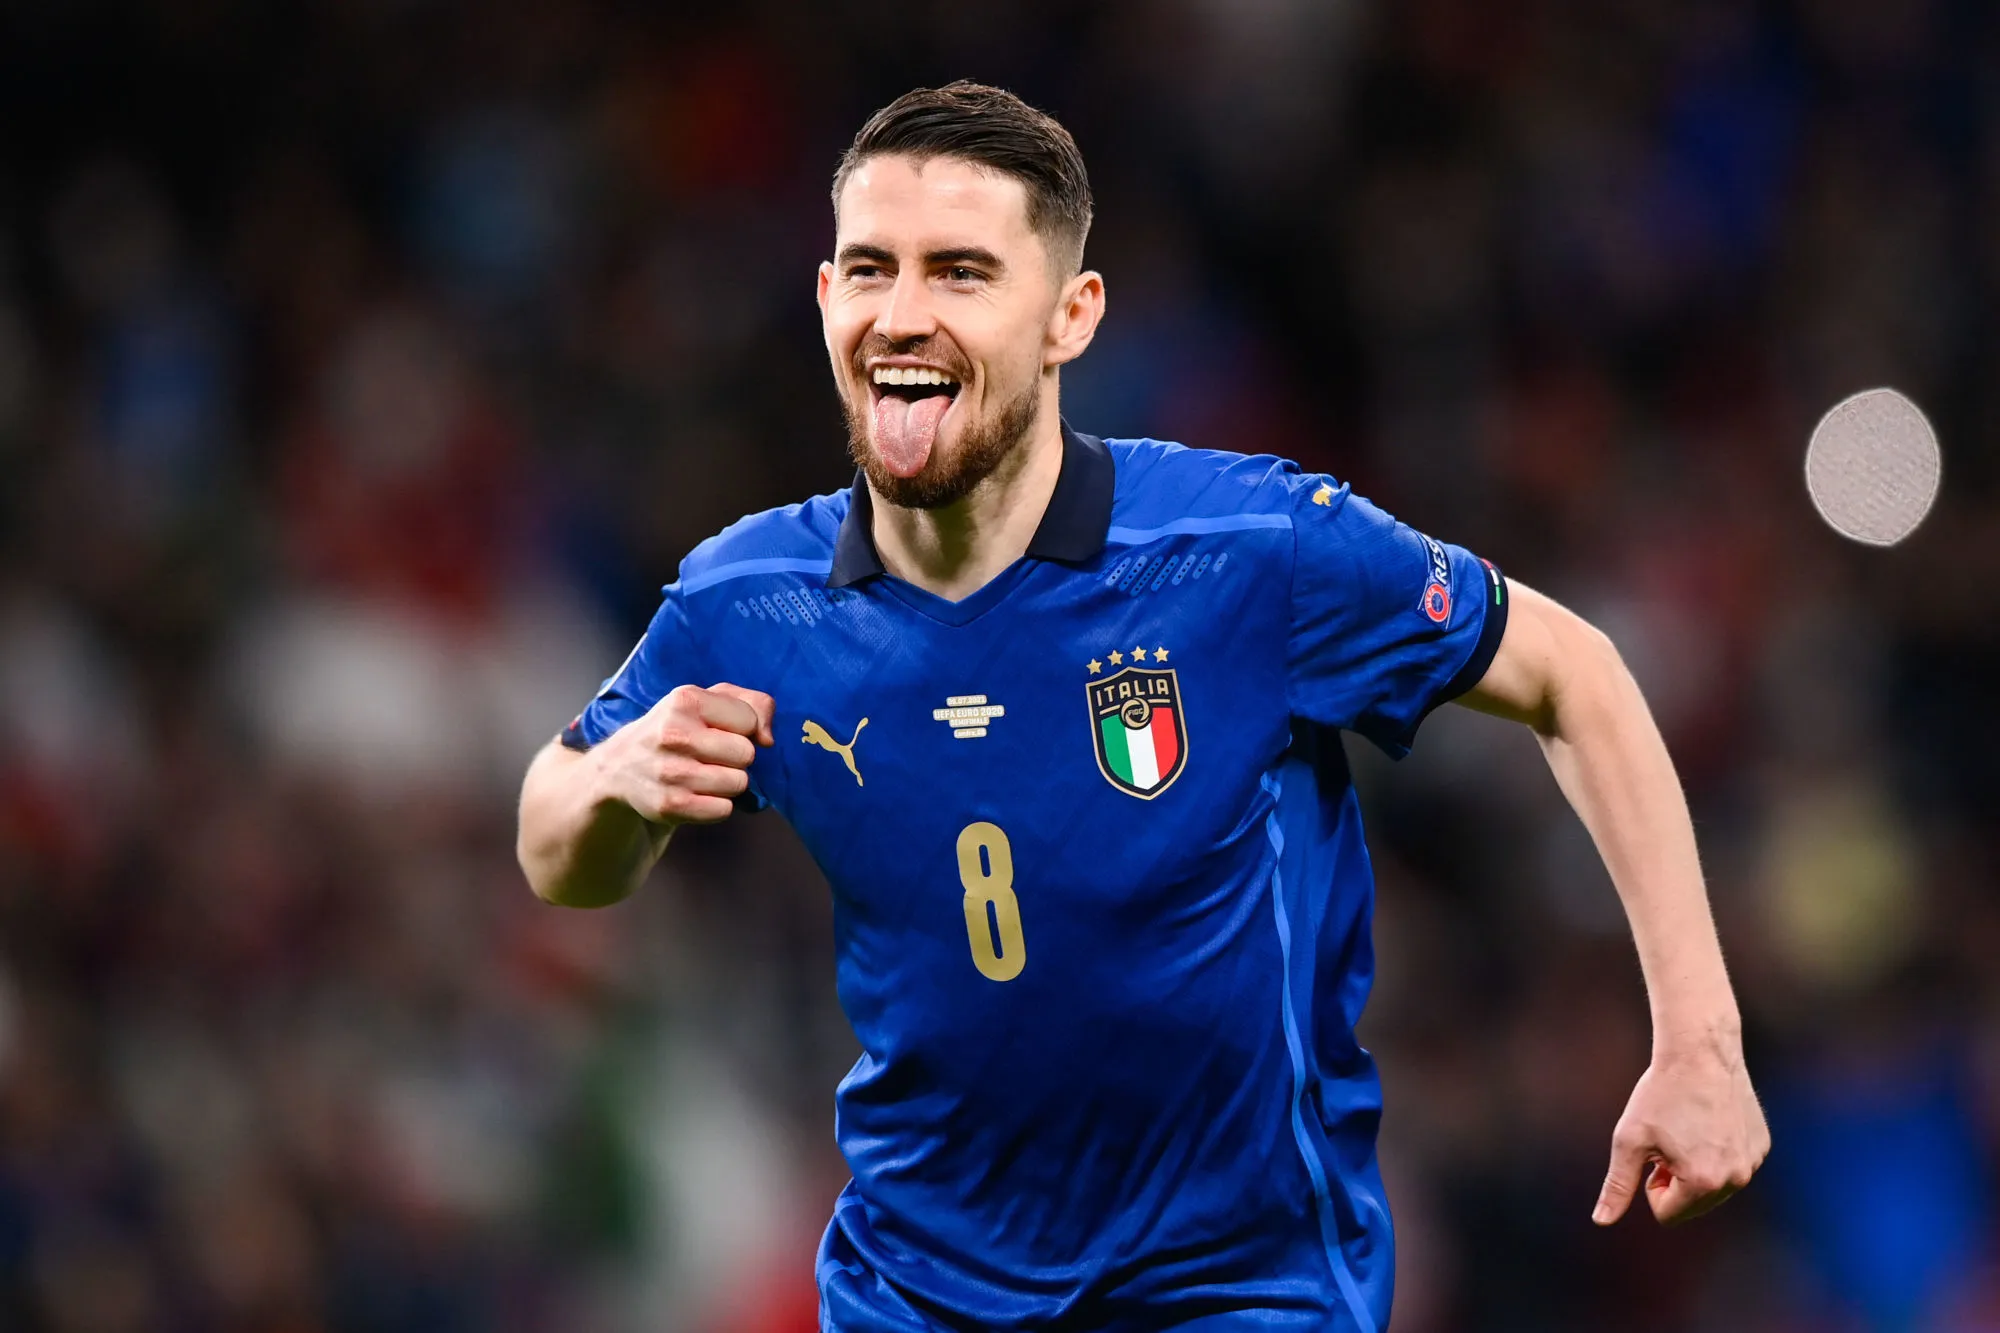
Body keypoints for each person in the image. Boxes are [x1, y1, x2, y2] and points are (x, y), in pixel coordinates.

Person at [517, 81, 1769, 1332]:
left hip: (1235, 1286)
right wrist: (614, 787)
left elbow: (1572, 673)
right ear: (824, 295)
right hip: (916, 1289)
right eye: (869, 270)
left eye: (960, 273)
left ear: (1069, 317)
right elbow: (558, 848)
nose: (901, 316)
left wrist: (1700, 1045)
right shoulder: (747, 601)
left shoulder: (1247, 548)